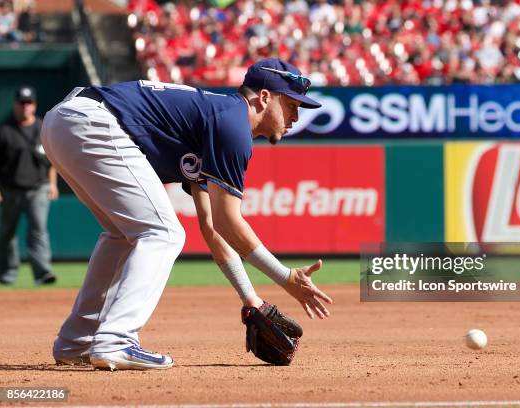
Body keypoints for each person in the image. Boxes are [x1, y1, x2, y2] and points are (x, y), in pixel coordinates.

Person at [42, 58, 333, 371]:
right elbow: (229, 221)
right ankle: (116, 340)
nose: (295, 116)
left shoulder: (219, 118)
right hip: (92, 121)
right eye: (291, 105)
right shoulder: (233, 124)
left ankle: (77, 341)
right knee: (163, 233)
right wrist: (284, 277)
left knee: (123, 235)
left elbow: (213, 228)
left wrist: (251, 299)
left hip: (66, 122)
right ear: (264, 97)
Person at [0, 86, 59, 285]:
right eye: (22, 103)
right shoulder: (5, 130)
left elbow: (52, 160)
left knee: (39, 231)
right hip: (10, 189)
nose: (25, 107)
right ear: (15, 105)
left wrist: (53, 184)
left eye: (29, 103)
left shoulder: (43, 127)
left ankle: (42, 273)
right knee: (7, 233)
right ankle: (7, 273)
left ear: (34, 105)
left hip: (38, 188)